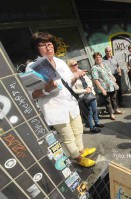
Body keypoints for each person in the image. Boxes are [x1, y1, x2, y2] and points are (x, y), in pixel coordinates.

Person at [26, 32, 96, 167]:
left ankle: (81, 151)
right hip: (55, 108)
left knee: (78, 129)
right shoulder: (32, 67)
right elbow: (31, 94)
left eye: (50, 44)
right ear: (36, 48)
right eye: (42, 45)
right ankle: (77, 158)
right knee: (68, 137)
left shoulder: (60, 62)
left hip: (70, 104)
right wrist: (47, 89)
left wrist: (76, 76)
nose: (48, 48)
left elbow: (68, 82)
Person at [67, 59, 104, 133]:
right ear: (70, 67)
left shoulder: (80, 71)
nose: (77, 65)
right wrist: (85, 90)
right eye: (74, 65)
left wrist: (89, 88)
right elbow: (74, 90)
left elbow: (89, 80)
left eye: (77, 63)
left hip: (90, 93)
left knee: (94, 110)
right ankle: (92, 127)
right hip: (83, 97)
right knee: (89, 112)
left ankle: (97, 123)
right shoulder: (70, 76)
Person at [92, 52, 123, 120]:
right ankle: (111, 114)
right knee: (108, 101)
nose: (98, 58)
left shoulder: (105, 65)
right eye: (96, 57)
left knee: (114, 98)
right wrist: (102, 90)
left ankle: (116, 109)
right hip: (104, 87)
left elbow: (110, 73)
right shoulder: (94, 68)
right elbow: (96, 80)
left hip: (111, 85)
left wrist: (114, 79)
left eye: (99, 57)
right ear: (94, 59)